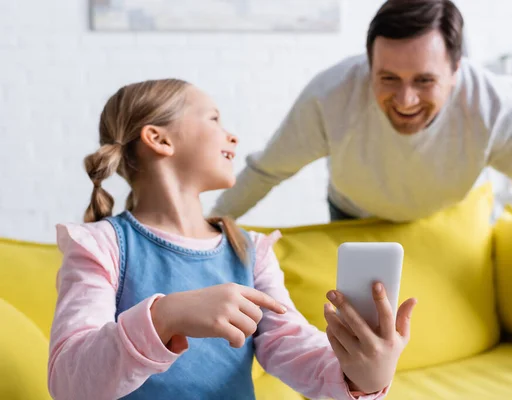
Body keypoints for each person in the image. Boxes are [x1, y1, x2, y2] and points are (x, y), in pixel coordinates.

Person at [48, 79, 417, 400]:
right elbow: (70, 383)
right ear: (158, 138)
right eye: (213, 118)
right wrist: (166, 316)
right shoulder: (101, 246)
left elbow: (291, 343)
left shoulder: (250, 251)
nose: (232, 135)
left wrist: (362, 374)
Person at [210, 0, 512, 247]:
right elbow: (266, 171)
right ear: (369, 65)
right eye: (388, 78)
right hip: (355, 217)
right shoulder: (329, 96)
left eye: (425, 81)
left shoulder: (496, 110)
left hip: (452, 215)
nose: (406, 101)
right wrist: (204, 229)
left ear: (456, 70)